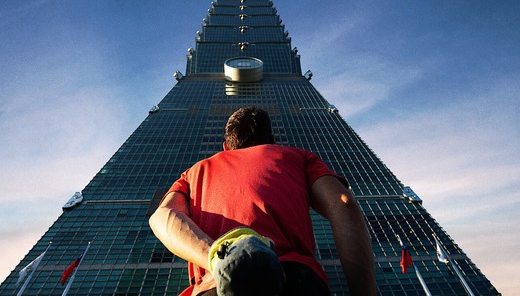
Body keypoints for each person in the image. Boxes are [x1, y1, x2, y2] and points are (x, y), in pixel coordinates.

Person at [149, 106, 378, 296]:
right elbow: (343, 203)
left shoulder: (195, 171)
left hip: (214, 285)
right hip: (294, 279)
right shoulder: (298, 157)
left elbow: (163, 217)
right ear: (272, 141)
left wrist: (219, 259)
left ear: (226, 147)